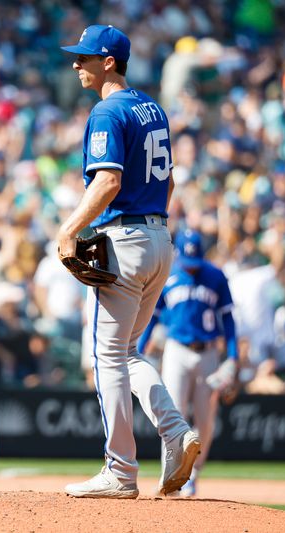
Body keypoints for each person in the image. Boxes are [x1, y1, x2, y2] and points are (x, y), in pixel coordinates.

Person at [57, 25, 200, 499]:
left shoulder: (107, 109)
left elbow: (108, 183)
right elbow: (171, 182)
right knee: (127, 352)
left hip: (127, 239)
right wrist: (156, 231)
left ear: (109, 62)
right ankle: (176, 432)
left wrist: (68, 229)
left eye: (85, 57)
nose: (77, 64)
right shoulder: (151, 107)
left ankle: (120, 470)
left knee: (105, 358)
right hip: (159, 237)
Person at [138, 229, 239, 498]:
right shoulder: (169, 274)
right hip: (176, 350)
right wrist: (137, 349)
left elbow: (228, 320)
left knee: (205, 420)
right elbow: (153, 316)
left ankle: (193, 474)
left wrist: (233, 357)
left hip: (207, 352)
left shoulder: (216, 276)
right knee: (174, 414)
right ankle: (170, 475)